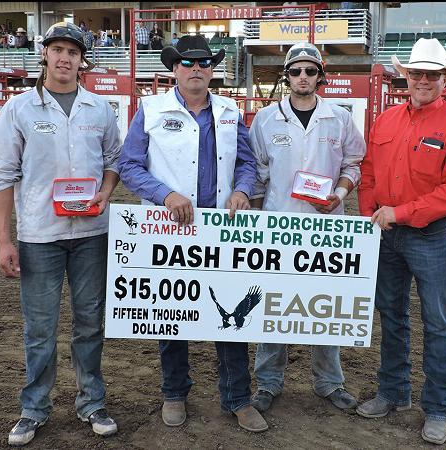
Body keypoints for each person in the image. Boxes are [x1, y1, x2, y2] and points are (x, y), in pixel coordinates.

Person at [118, 34, 267, 433]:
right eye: (188, 62)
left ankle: (238, 398)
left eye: (203, 62)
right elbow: (129, 165)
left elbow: (247, 164)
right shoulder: (151, 109)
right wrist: (165, 195)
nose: (196, 68)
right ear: (174, 69)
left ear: (212, 69)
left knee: (231, 314)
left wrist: (242, 190)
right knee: (171, 313)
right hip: (170, 228)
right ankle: (174, 392)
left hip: (220, 230)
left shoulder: (230, 110)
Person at [0, 21, 122, 447]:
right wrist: (3, 239)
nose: (64, 58)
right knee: (40, 327)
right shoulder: (19, 109)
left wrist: (105, 191)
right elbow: (1, 174)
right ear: (45, 54)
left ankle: (92, 401)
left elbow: (114, 159)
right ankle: (34, 407)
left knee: (89, 322)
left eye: (72, 52)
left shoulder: (100, 109)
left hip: (92, 233)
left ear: (82, 61)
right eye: (57, 49)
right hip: (40, 234)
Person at [355, 38, 446, 445]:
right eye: (416, 73)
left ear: (445, 80)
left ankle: (437, 408)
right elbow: (369, 172)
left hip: (430, 234)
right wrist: (371, 213)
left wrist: (399, 212)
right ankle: (393, 392)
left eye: (431, 74)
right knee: (391, 316)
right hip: (387, 231)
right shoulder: (386, 120)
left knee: (438, 323)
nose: (422, 80)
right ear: (405, 76)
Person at [247, 42, 365, 414]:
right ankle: (268, 381)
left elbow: (354, 164)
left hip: (327, 228)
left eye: (310, 71)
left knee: (325, 306)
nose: (302, 77)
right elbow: (257, 174)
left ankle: (329, 382)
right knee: (273, 306)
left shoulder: (339, 118)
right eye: (296, 71)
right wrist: (256, 223)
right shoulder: (266, 119)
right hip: (278, 226)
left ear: (320, 76)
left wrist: (339, 194)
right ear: (287, 75)